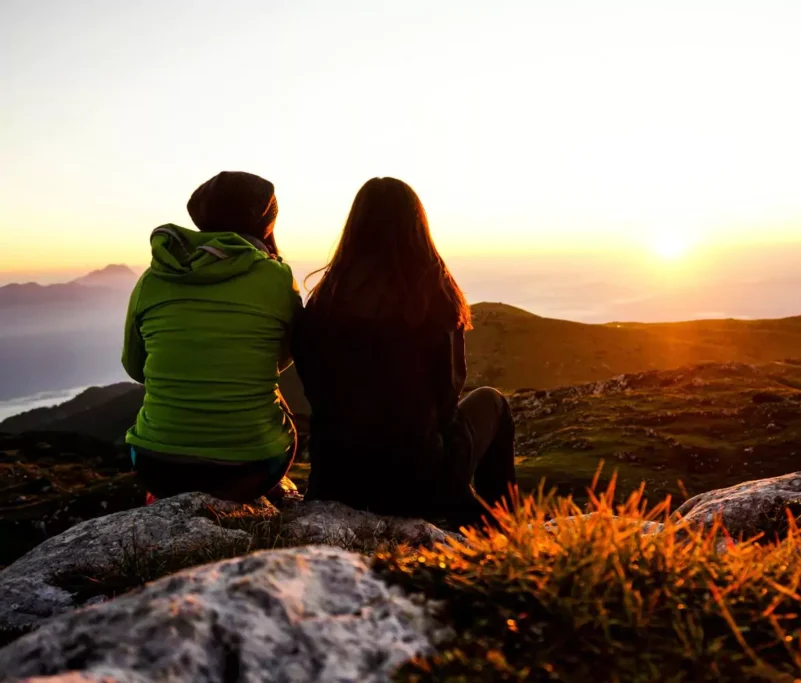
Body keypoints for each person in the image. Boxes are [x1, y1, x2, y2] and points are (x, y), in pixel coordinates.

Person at [292, 177, 516, 527]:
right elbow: (448, 395)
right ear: (417, 225)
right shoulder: (434, 296)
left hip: (335, 481)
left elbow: (313, 385)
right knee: (493, 403)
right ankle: (502, 530)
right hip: (415, 486)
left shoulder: (324, 299)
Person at [122, 171, 302, 503]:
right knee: (281, 406)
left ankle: (164, 502)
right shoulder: (277, 278)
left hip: (153, 466)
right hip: (253, 468)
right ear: (266, 222)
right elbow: (282, 358)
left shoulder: (154, 277)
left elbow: (135, 367)